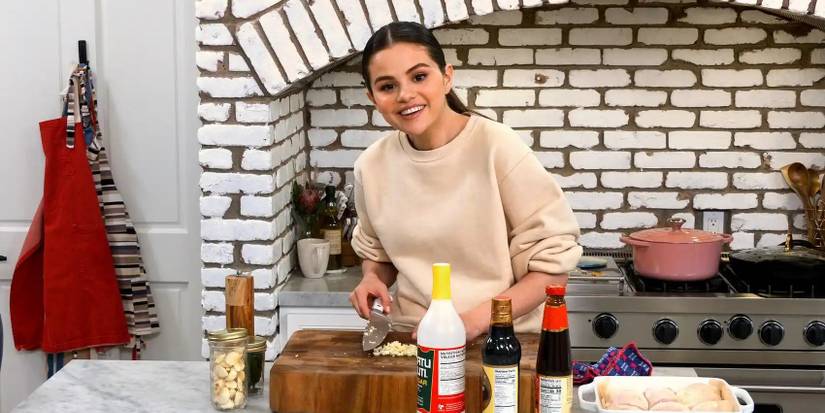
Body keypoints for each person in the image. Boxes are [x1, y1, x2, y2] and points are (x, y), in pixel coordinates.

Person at [348, 21, 582, 341]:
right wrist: (372, 278)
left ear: (446, 77)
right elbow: (378, 253)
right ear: (373, 97)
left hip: (501, 342)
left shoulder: (497, 148)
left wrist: (473, 321)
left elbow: (551, 273)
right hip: (412, 339)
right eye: (387, 86)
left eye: (419, 77)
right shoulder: (371, 167)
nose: (405, 94)